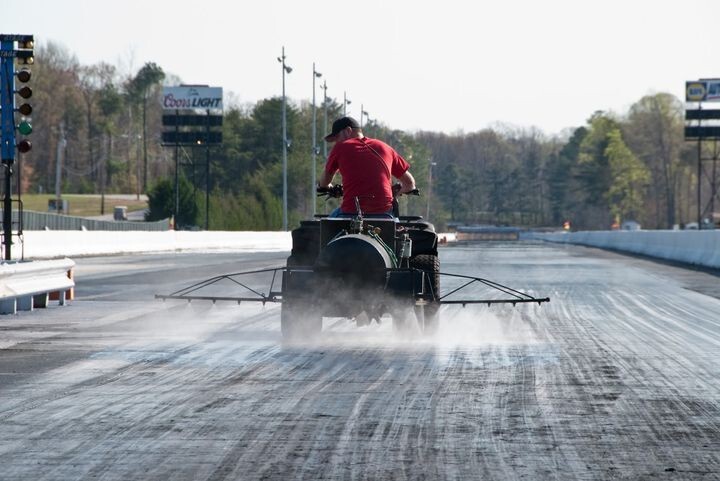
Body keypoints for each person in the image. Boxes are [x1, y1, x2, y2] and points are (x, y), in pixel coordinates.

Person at [318, 116, 416, 217]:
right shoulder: (385, 147)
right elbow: (410, 184)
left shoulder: (341, 147)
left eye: (337, 138)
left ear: (348, 131)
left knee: (326, 225)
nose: (336, 142)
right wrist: (394, 194)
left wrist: (324, 186)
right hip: (384, 215)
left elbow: (325, 181)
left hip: (351, 213)